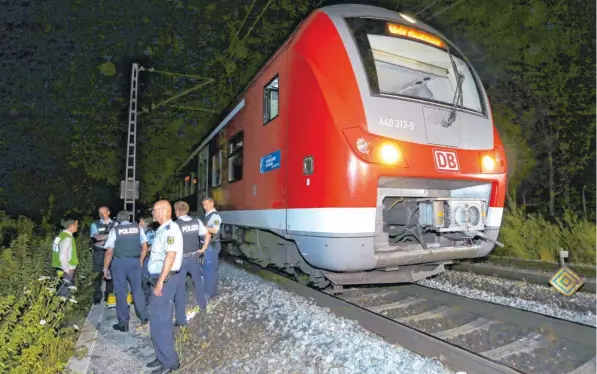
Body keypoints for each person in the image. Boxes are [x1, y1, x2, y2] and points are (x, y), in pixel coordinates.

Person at [145, 200, 183, 374]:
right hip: (159, 279)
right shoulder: (162, 229)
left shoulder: (171, 230)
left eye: (153, 210)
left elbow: (170, 256)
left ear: (161, 211)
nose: (152, 213)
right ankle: (160, 356)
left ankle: (170, 362)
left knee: (162, 321)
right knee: (156, 320)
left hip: (165, 280)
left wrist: (160, 281)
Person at [103, 210, 149, 332]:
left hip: (119, 263)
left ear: (118, 219)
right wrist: (140, 260)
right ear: (129, 218)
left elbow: (109, 252)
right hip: (134, 262)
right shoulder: (138, 229)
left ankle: (123, 323)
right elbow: (145, 246)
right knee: (137, 290)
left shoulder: (115, 231)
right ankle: (144, 317)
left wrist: (105, 268)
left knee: (121, 292)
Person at [172, 201, 211, 326]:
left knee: (180, 288)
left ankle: (181, 319)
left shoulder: (175, 225)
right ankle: (203, 306)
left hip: (180, 259)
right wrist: (203, 249)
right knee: (198, 282)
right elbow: (207, 235)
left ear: (177, 212)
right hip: (194, 256)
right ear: (187, 210)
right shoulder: (197, 222)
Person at [90, 206, 117, 304]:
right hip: (99, 252)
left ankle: (108, 295)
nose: (101, 214)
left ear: (109, 212)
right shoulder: (95, 224)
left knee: (111, 275)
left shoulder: (115, 224)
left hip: (112, 252)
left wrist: (104, 238)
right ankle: (97, 296)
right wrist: (111, 235)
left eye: (104, 212)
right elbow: (97, 237)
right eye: (99, 212)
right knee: (97, 275)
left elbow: (118, 237)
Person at [51, 217, 79, 298]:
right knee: (64, 295)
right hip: (66, 270)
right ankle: (60, 309)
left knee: (60, 291)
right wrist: (67, 270)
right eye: (76, 224)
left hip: (59, 268)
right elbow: (63, 255)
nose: (78, 226)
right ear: (71, 226)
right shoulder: (67, 238)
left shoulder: (60, 236)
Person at [201, 197, 222, 302]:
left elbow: (215, 229)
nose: (205, 207)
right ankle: (207, 291)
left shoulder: (215, 216)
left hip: (212, 246)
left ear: (212, 203)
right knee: (206, 270)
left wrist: (202, 228)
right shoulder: (207, 215)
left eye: (207, 204)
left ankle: (211, 293)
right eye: (203, 205)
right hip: (207, 246)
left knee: (210, 271)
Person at [139, 216, 156, 309]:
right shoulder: (148, 232)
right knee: (145, 278)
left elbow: (152, 245)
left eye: (140, 223)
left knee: (145, 278)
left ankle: (147, 300)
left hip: (147, 258)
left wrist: (143, 251)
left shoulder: (149, 233)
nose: (139, 225)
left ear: (145, 223)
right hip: (147, 257)